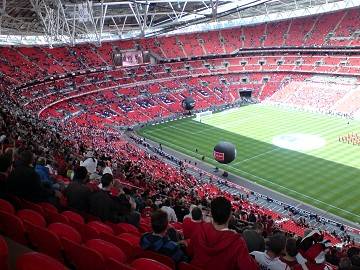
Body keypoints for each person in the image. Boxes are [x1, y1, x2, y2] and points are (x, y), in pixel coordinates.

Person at [190, 196, 259, 270]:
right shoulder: (238, 243)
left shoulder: (200, 229)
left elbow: (190, 251)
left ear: (211, 214)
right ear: (230, 216)